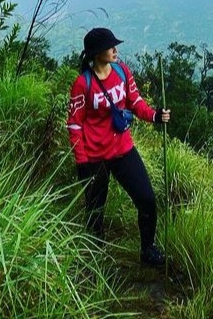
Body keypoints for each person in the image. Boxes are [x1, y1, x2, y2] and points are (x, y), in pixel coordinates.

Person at [66, 27, 171, 265]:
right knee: (95, 212)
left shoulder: (122, 72)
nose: (115, 50)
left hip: (123, 149)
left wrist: (155, 116)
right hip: (94, 157)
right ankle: (95, 258)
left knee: (146, 199)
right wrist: (81, 162)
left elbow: (135, 102)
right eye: (110, 46)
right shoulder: (83, 84)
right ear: (96, 53)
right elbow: (74, 125)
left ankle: (148, 249)